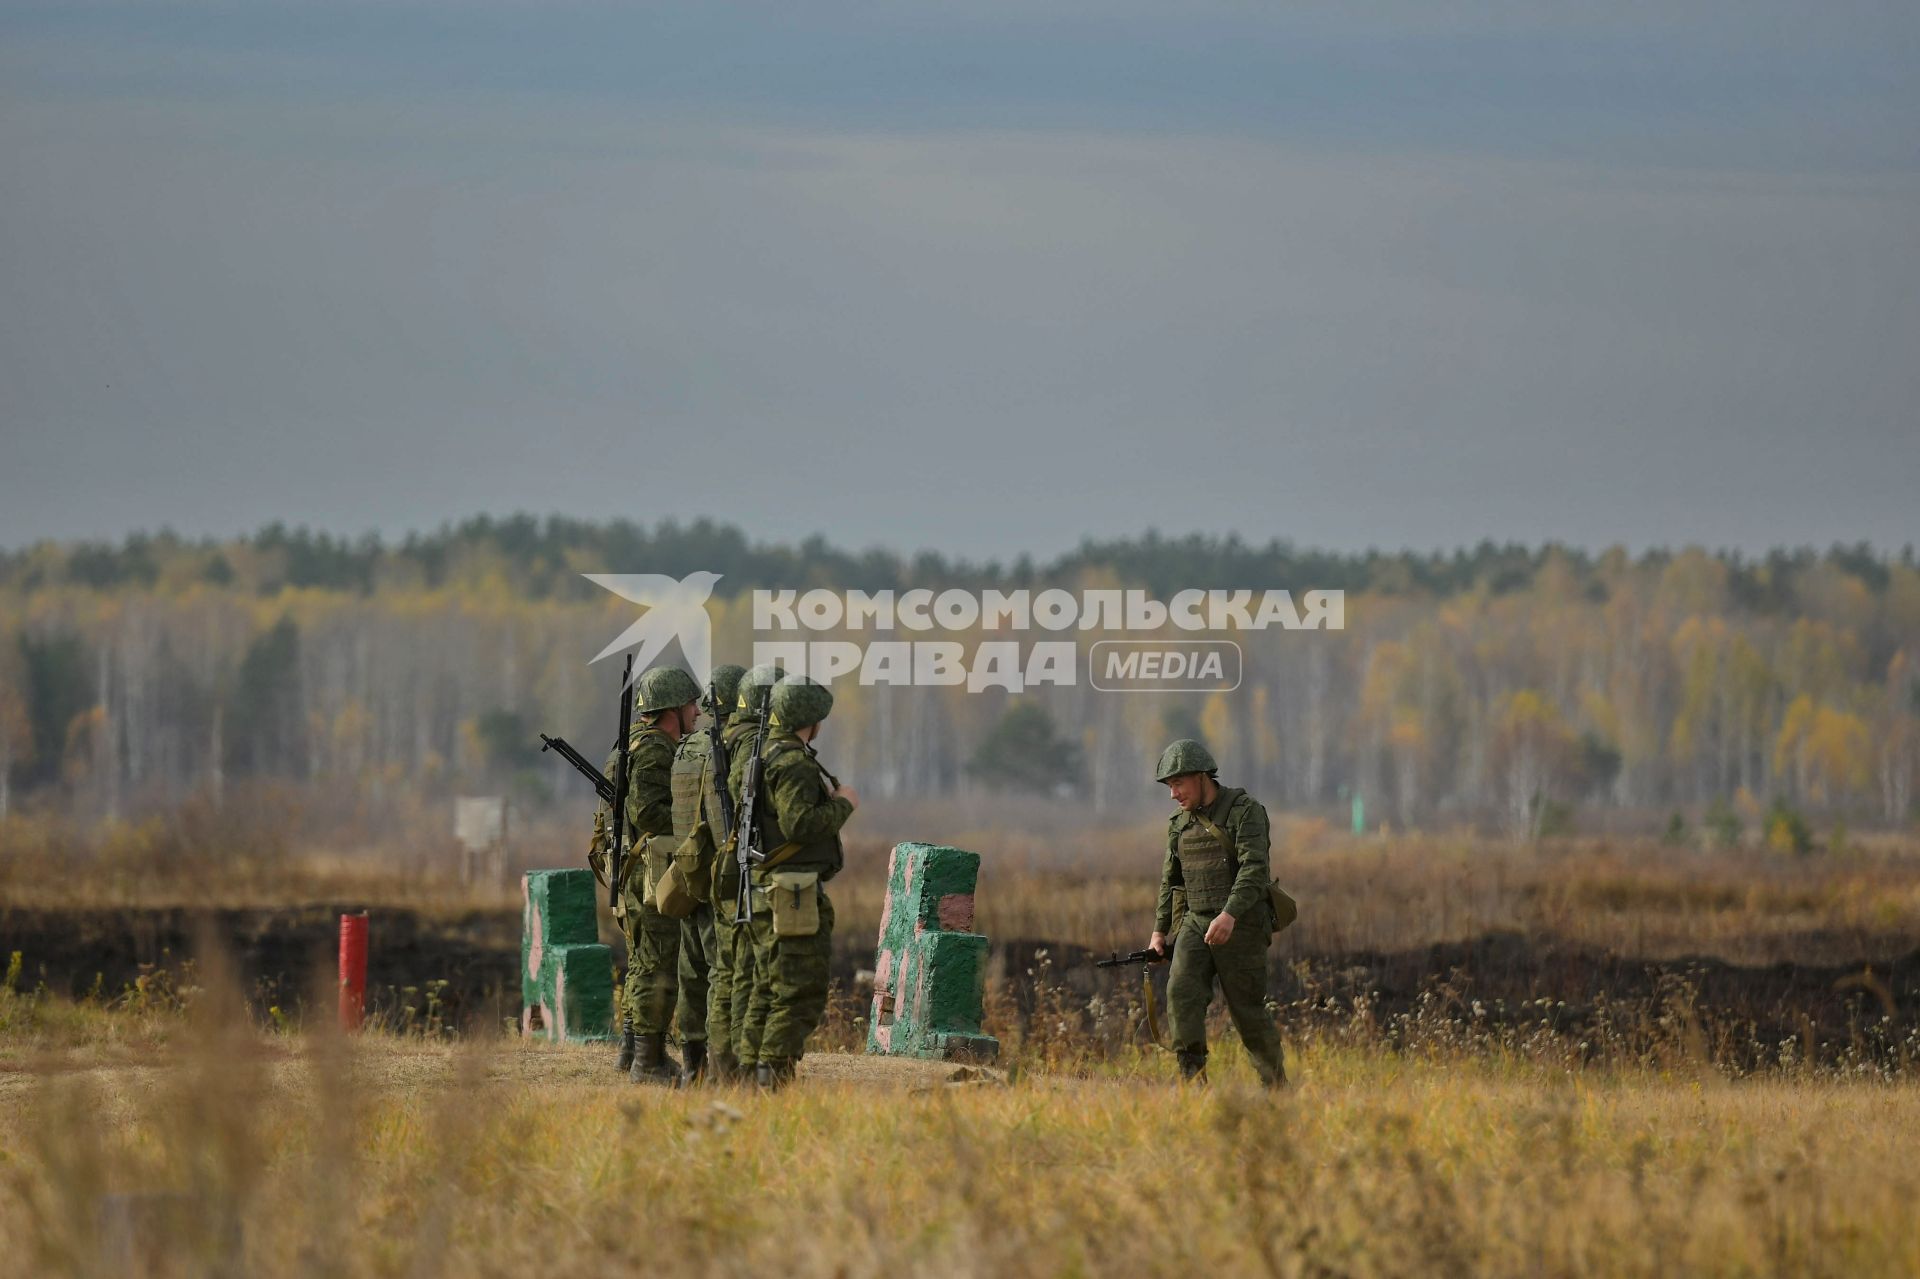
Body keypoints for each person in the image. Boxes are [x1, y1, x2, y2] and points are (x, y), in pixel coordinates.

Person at [739, 674, 857, 1089]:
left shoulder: (769, 754)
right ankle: (774, 1075)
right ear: (810, 720)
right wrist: (843, 805)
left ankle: (751, 1071)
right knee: (797, 990)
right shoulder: (792, 764)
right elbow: (800, 824)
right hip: (790, 892)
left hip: (771, 887)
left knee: (767, 986)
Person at [1147, 738, 1287, 1087]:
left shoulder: (1245, 811)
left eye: (1178, 784)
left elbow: (1255, 868)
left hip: (1241, 923)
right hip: (1196, 921)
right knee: (1181, 995)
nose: (1173, 794)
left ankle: (1276, 1088)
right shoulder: (1179, 824)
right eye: (1169, 786)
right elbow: (1170, 881)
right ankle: (1193, 1084)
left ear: (1201, 776)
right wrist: (1159, 931)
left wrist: (1230, 914)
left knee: (1248, 1012)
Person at [620, 664, 702, 1083]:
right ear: (672, 708)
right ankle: (646, 1062)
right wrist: (694, 819)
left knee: (643, 960)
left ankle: (631, 1049)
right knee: (659, 964)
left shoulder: (635, 744)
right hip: (650, 868)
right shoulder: (654, 751)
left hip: (637, 867)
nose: (698, 713)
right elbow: (648, 813)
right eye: (692, 704)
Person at [665, 662, 746, 1084]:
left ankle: (691, 1066)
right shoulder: (727, 746)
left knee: (691, 970)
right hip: (718, 873)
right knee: (721, 971)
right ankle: (720, 1068)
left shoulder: (686, 745)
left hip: (687, 870)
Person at [720, 662, 785, 1076]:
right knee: (748, 972)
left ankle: (734, 1064)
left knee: (736, 972)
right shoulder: (751, 746)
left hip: (734, 869)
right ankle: (743, 1065)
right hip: (748, 873)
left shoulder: (732, 740)